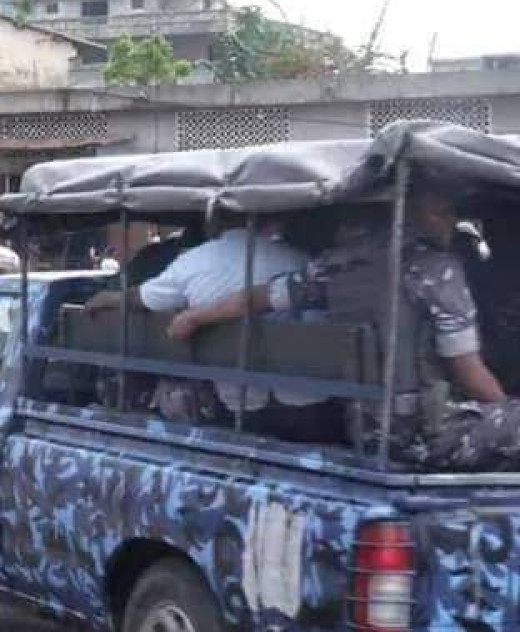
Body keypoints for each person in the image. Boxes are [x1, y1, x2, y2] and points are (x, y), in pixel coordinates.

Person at [168, 175, 520, 472]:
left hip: (365, 430)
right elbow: (468, 372)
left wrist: (195, 316)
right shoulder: (436, 268)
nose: (450, 221)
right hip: (428, 435)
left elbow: (257, 297)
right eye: (441, 212)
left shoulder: (338, 266)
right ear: (410, 213)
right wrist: (503, 409)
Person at [85, 214, 337, 439]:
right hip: (314, 409)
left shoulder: (194, 260)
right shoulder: (300, 260)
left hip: (238, 409)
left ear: (214, 223)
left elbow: (143, 298)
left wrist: (107, 298)